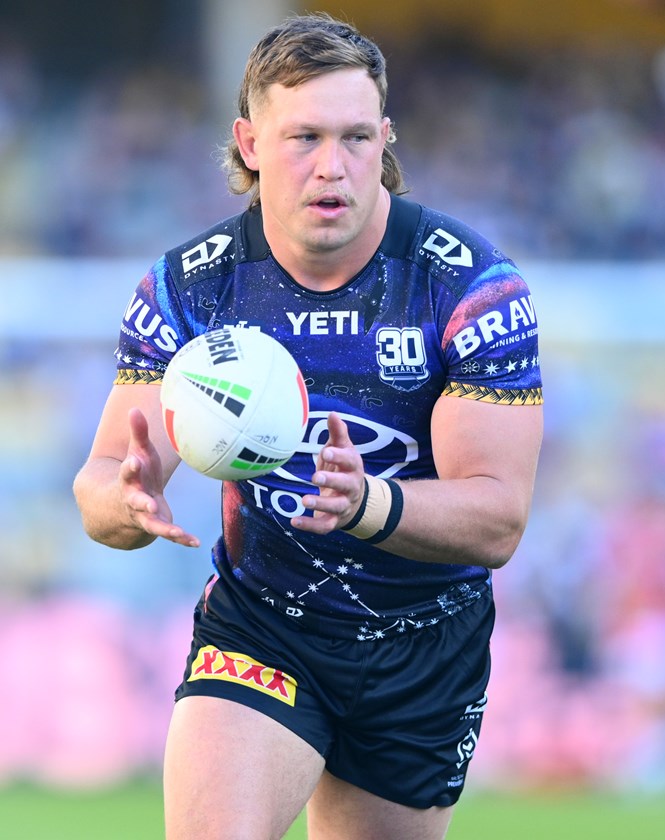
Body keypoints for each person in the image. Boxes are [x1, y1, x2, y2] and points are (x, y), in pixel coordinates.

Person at [73, 12, 543, 840]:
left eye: (357, 137)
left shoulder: (468, 287)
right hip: (264, 624)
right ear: (249, 143)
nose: (333, 167)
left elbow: (498, 517)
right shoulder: (189, 290)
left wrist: (368, 504)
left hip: (424, 648)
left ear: (387, 138)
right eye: (304, 138)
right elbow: (103, 482)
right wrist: (126, 503)